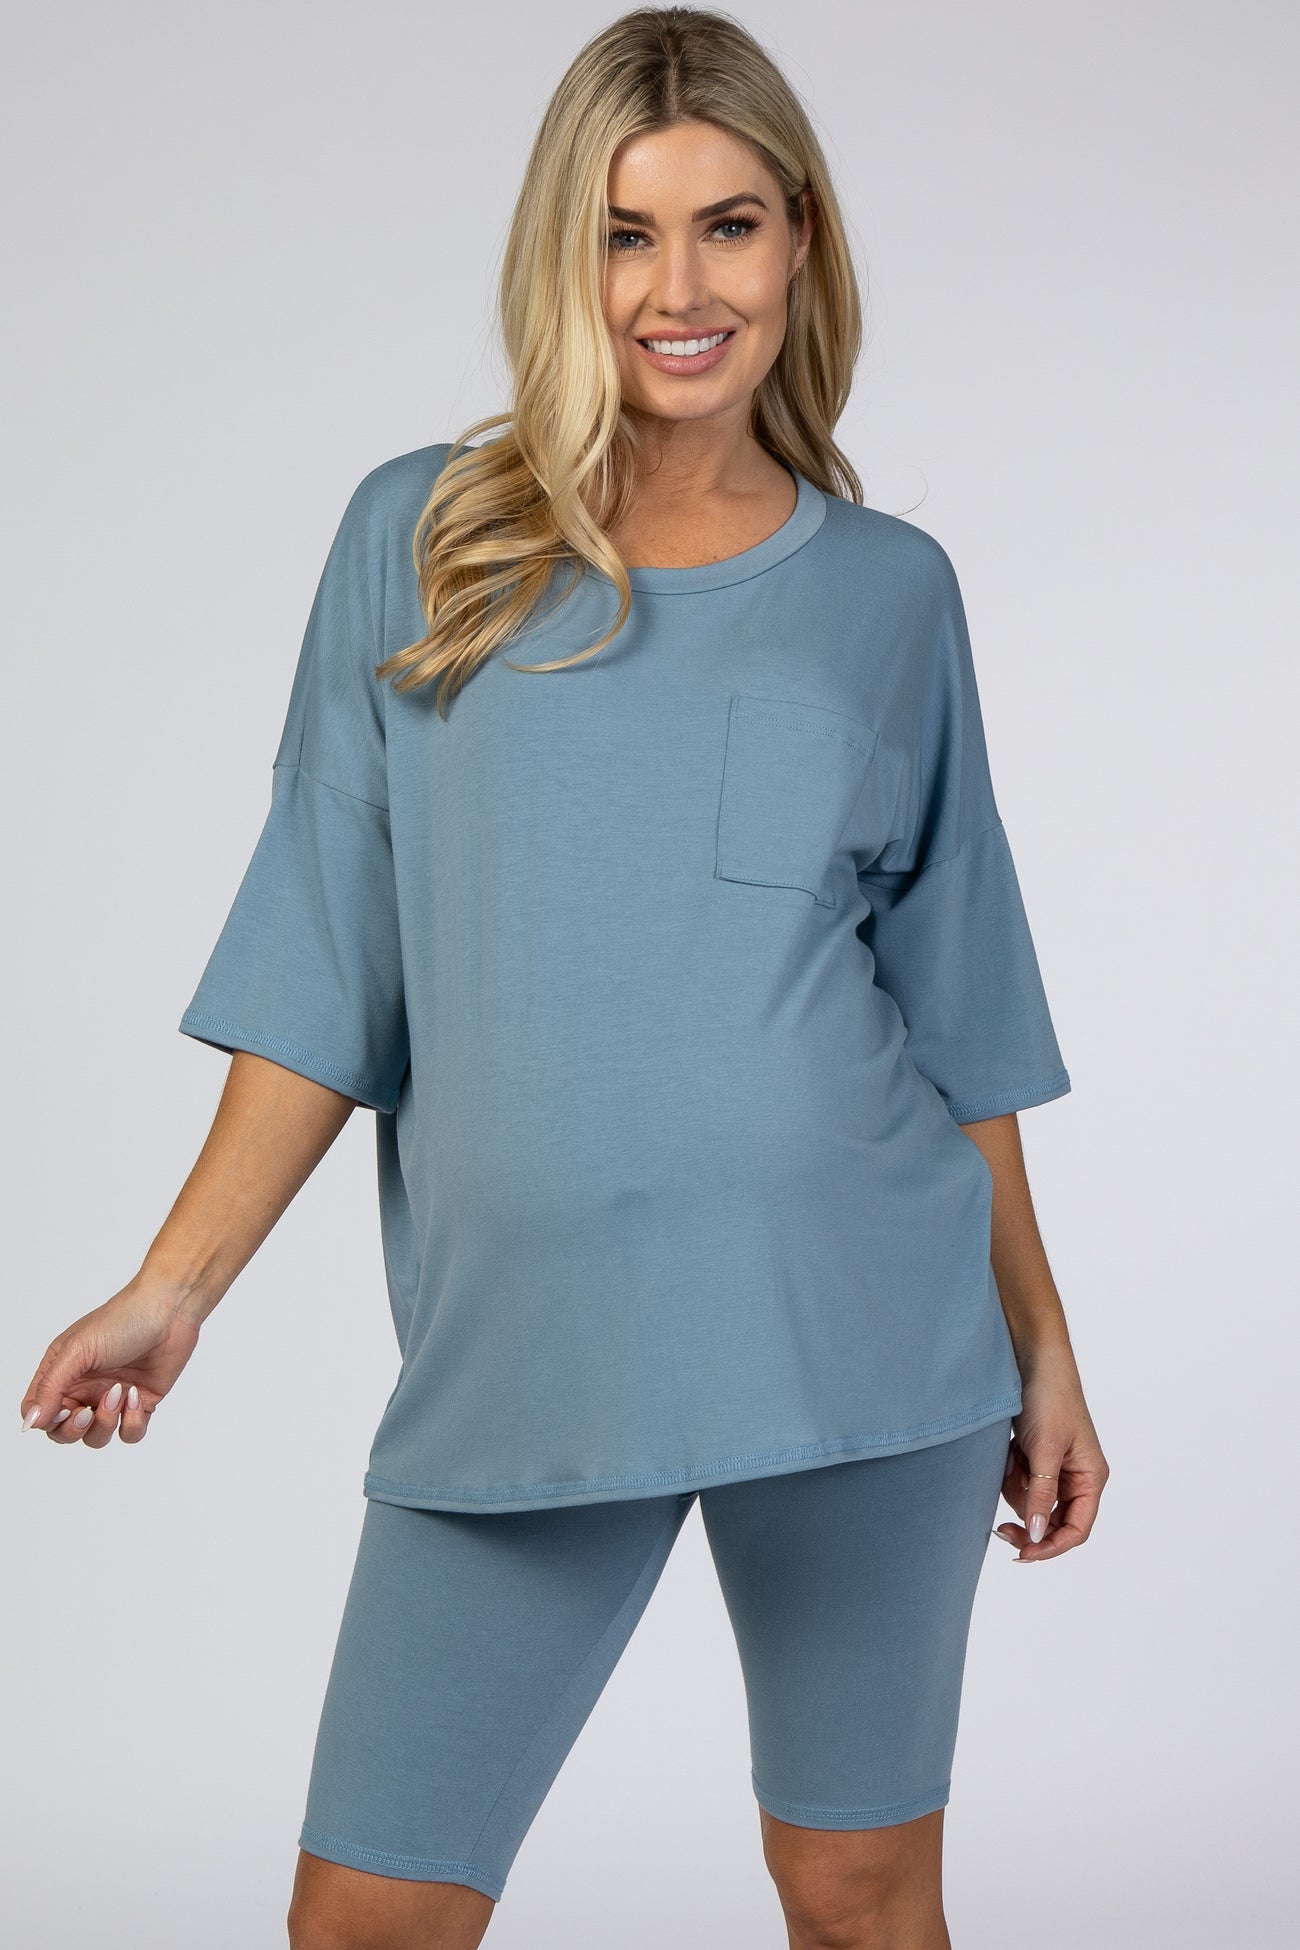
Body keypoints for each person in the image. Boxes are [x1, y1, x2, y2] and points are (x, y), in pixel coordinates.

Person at [17, 8, 1109, 1947]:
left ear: (798, 243)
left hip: (861, 1343)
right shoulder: (421, 541)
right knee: (367, 1918)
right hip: (524, 1358)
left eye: (727, 226)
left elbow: (958, 1012)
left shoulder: (887, 592)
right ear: (560, 255)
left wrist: (1042, 1340)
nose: (678, 289)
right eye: (624, 233)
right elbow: (328, 946)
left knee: (857, 1894)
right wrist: (173, 1286)